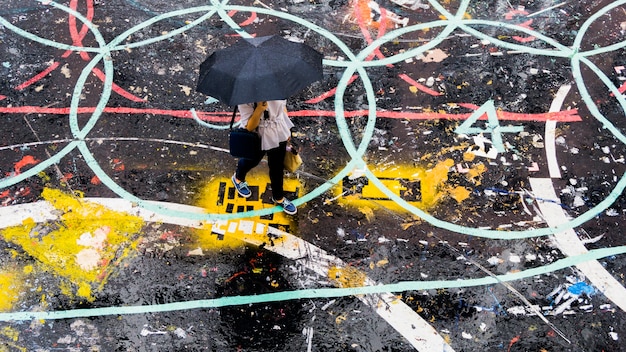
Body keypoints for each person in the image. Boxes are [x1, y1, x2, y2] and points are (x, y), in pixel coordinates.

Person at [231, 100, 297, 215]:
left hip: (278, 132)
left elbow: (282, 107)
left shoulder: (276, 86)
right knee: (251, 160)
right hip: (257, 135)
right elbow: (249, 127)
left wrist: (286, 129)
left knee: (277, 167)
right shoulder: (245, 98)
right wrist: (259, 110)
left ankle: (279, 197)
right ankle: (238, 178)